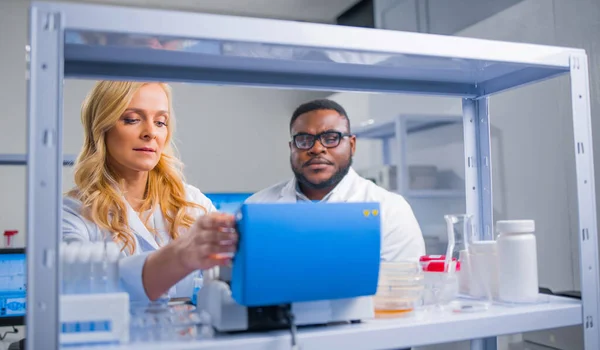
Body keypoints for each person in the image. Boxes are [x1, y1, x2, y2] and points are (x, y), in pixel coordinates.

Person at [62, 81, 238, 302]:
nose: (150, 133)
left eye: (160, 122)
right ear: (101, 127)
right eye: (132, 119)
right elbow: (87, 288)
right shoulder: (72, 214)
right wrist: (181, 255)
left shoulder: (191, 202)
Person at [246, 99, 425, 261]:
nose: (317, 149)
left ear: (352, 145)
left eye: (331, 138)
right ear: (292, 147)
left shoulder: (391, 210)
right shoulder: (256, 206)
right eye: (304, 140)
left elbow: (403, 289)